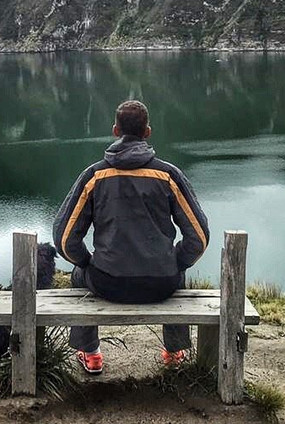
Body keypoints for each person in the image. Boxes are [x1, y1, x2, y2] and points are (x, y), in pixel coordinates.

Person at [53, 99, 210, 374]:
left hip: (107, 282)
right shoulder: (168, 175)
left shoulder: (94, 176)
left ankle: (90, 353)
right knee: (179, 274)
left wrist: (87, 261)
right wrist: (176, 260)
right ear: (147, 131)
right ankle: (174, 352)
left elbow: (65, 238)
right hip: (162, 283)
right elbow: (198, 236)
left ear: (115, 130)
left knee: (78, 276)